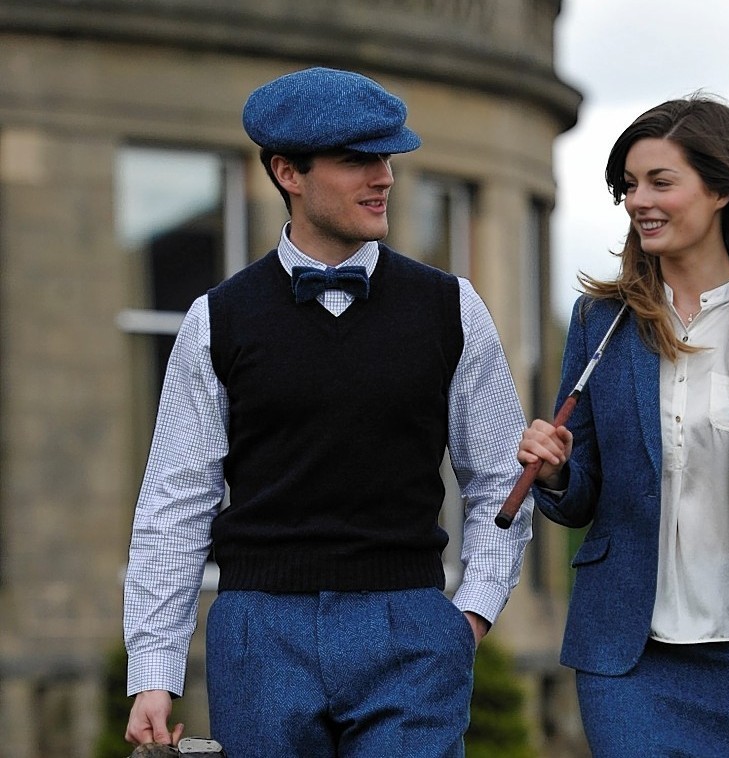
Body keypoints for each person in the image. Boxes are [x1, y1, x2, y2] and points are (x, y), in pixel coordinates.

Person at [123, 66, 533, 757]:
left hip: (411, 630)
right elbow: (176, 501)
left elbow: (500, 476)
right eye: (357, 160)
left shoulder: (451, 309)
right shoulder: (216, 319)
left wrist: (469, 616)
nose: (385, 178)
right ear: (288, 171)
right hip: (259, 635)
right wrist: (154, 671)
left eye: (387, 158)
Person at [517, 95, 729, 757]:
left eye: (659, 182)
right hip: (627, 657)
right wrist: (556, 471)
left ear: (722, 191)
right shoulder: (600, 322)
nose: (637, 200)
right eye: (628, 185)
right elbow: (581, 497)